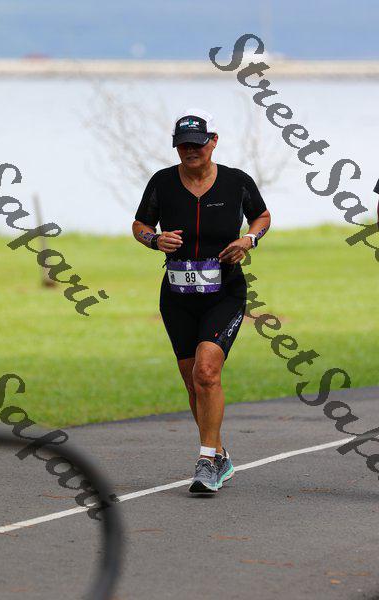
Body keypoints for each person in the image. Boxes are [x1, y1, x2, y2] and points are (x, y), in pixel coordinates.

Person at [132, 108, 271, 494]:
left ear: (213, 141)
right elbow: (140, 225)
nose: (191, 151)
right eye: (183, 146)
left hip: (224, 292)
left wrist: (248, 239)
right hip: (177, 296)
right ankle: (219, 453)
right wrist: (154, 240)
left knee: (207, 372)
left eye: (197, 144)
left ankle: (206, 461)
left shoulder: (236, 182)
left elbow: (262, 216)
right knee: (193, 382)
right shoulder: (162, 182)